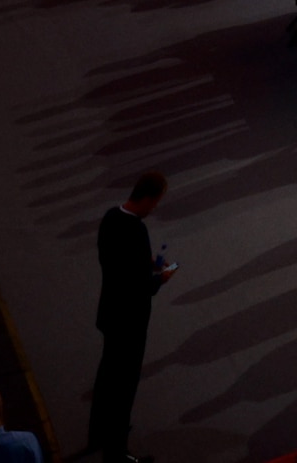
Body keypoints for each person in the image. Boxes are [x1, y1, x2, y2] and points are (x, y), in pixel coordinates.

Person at [89, 173, 173, 461]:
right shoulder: (137, 230)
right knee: (124, 387)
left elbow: (114, 262)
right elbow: (140, 286)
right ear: (147, 198)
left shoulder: (111, 217)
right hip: (130, 322)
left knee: (106, 375)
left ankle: (97, 433)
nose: (154, 208)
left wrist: (144, 263)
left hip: (110, 313)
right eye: (156, 202)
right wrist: (160, 278)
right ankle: (117, 452)